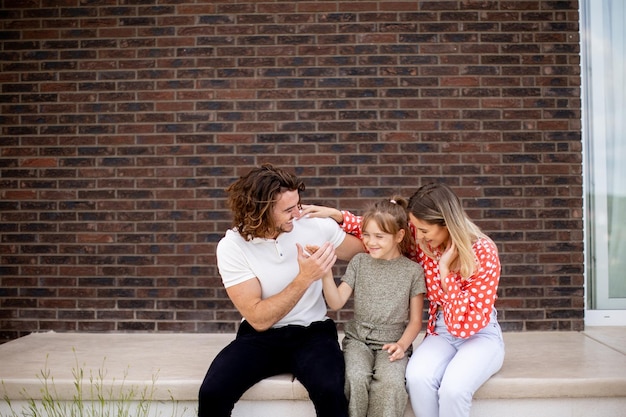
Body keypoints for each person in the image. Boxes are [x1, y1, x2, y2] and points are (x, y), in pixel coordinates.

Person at [301, 182, 505, 417]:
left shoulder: (483, 252)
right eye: (415, 229)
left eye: (424, 230)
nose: (417, 237)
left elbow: (464, 325)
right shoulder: (425, 243)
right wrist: (337, 216)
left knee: (453, 390)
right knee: (417, 379)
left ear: (446, 224)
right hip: (442, 331)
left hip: (477, 333)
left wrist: (445, 272)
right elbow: (384, 228)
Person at [198, 163, 365, 417]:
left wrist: (340, 216)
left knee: (331, 390)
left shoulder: (315, 225)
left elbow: (372, 248)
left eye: (298, 204)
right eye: (288, 209)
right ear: (260, 211)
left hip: (313, 334)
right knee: (212, 393)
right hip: (259, 336)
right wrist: (305, 277)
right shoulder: (232, 246)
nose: (297, 214)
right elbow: (258, 318)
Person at [315, 196, 426, 417]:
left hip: (393, 342)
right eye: (366, 235)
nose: (370, 242)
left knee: (391, 384)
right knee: (355, 378)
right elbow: (336, 302)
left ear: (399, 236)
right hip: (358, 340)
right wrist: (325, 274)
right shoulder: (359, 262)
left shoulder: (413, 271)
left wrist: (402, 345)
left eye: (379, 236)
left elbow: (415, 321)